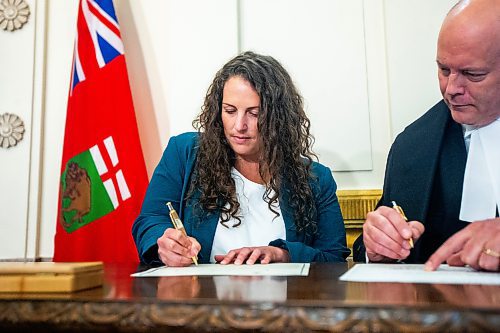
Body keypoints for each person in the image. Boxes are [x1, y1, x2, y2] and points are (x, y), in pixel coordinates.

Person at [133, 51, 350, 266]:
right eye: (230, 110)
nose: (239, 126)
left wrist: (284, 255)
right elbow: (150, 221)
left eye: (254, 113)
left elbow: (333, 258)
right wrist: (164, 245)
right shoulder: (184, 153)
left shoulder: (316, 179)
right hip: (202, 298)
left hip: (281, 300)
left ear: (278, 117)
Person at [353, 0, 500, 272]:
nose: (451, 88)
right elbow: (373, 245)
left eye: (472, 74)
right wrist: (379, 247)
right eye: (444, 70)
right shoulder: (411, 146)